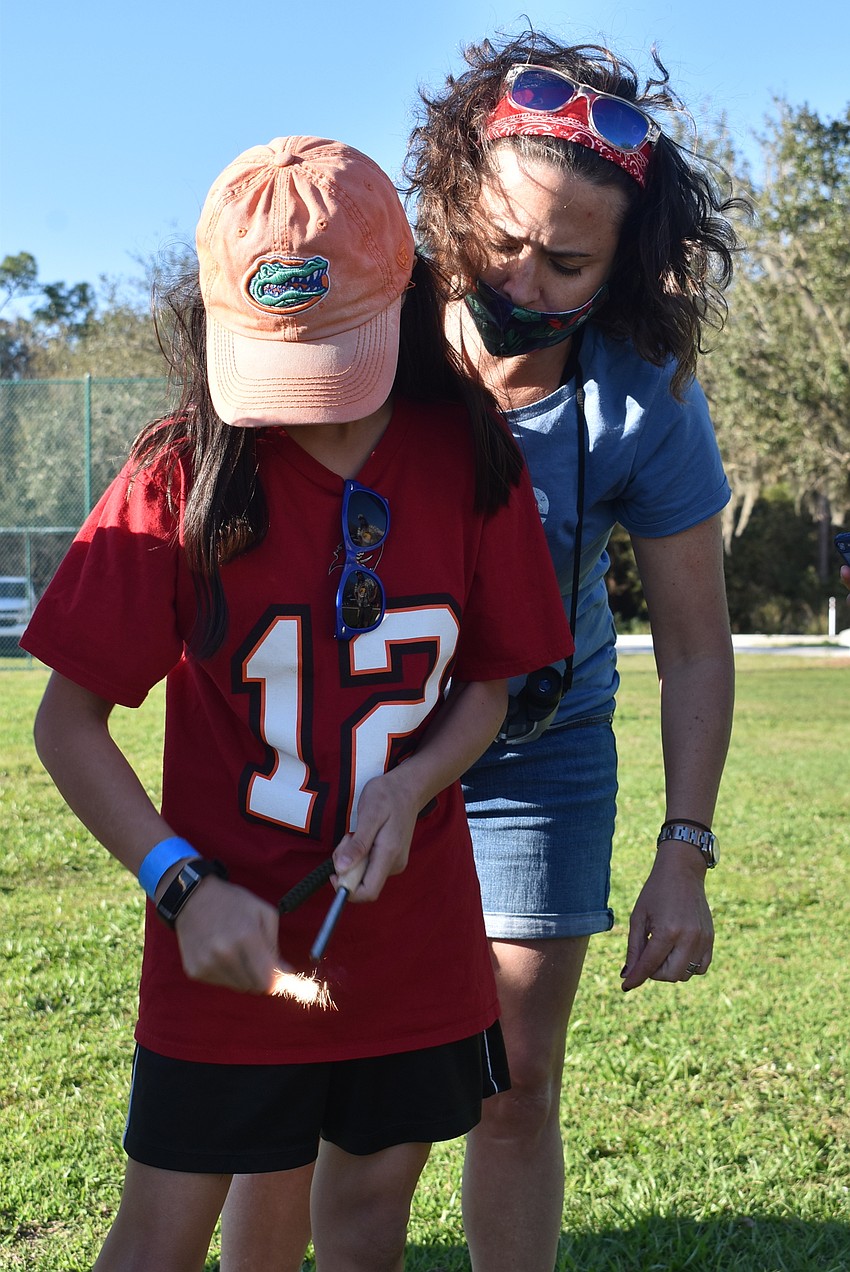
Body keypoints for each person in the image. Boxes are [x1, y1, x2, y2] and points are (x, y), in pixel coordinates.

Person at [223, 30, 740, 1272]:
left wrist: (685, 848)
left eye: (569, 264)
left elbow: (695, 646)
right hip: (344, 744)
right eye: (502, 238)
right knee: (306, 1073)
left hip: (535, 752)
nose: (524, 277)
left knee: (513, 1080)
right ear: (454, 199)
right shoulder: (366, 323)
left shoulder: (639, 395)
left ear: (622, 272)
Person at [21, 134, 573, 1272]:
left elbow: (488, 686)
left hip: (410, 944)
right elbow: (65, 720)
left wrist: (417, 781)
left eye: (342, 355)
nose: (308, 403)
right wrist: (178, 884)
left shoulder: (475, 460)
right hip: (219, 937)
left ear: (407, 302)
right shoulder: (179, 472)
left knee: (367, 1220)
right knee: (166, 1232)